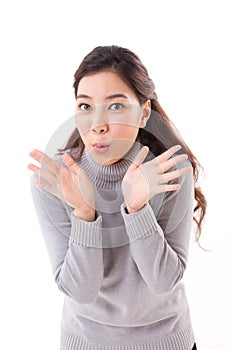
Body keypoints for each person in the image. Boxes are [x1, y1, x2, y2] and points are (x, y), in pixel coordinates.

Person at [28, 45, 206, 350]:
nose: (98, 124)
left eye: (115, 106)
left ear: (144, 113)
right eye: (85, 106)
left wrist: (137, 208)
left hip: (166, 341)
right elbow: (81, 292)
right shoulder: (55, 180)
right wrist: (84, 211)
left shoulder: (169, 171)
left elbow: (163, 281)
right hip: (85, 342)